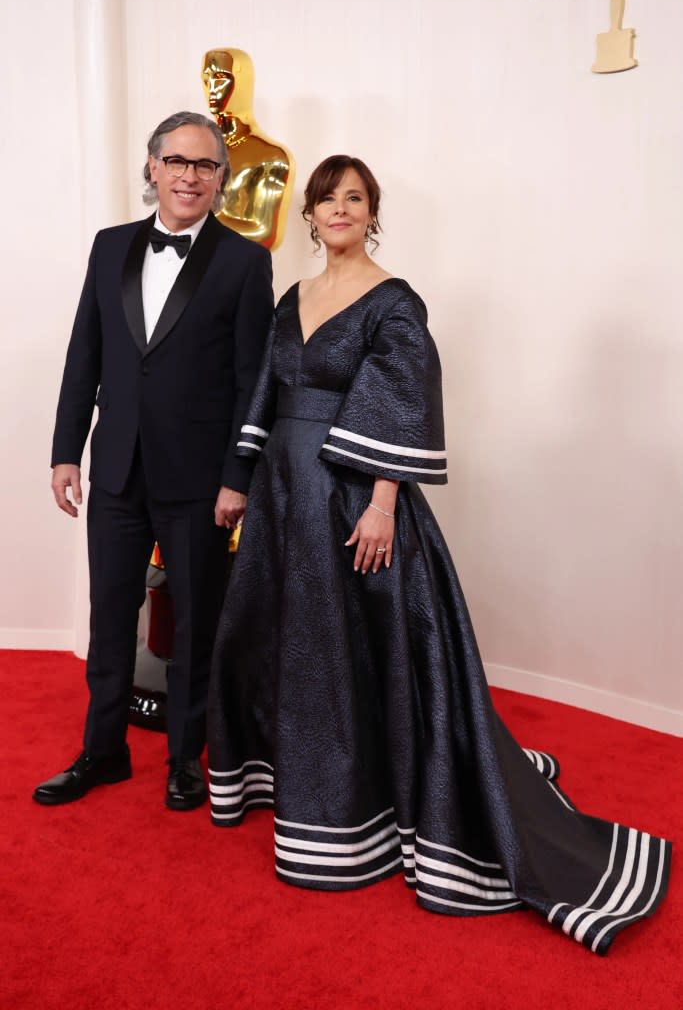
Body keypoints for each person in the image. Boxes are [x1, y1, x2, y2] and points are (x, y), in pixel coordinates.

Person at [207, 155, 670, 952]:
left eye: (354, 198)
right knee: (296, 646)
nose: (339, 210)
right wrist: (239, 479)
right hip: (285, 499)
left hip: (351, 501)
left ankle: (361, 807)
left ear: (371, 213)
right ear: (311, 216)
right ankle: (308, 784)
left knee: (356, 653)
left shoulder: (393, 301)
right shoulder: (293, 298)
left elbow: (402, 402)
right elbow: (266, 393)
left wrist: (383, 504)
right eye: (326, 199)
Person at [33, 111, 274, 811]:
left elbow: (252, 380)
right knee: (110, 614)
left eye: (205, 166)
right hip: (113, 468)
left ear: (222, 181)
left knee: (197, 622)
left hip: (201, 479)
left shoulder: (244, 261)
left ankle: (184, 759)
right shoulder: (109, 248)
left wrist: (239, 476)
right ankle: (102, 752)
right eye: (178, 162)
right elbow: (86, 353)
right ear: (152, 168)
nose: (189, 176)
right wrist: (64, 451)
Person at [201, 48, 294, 249]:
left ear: (242, 83)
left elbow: (265, 234)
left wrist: (198, 220)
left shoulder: (271, 156)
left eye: (221, 78)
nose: (212, 88)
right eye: (207, 79)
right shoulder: (194, 152)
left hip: (241, 272)